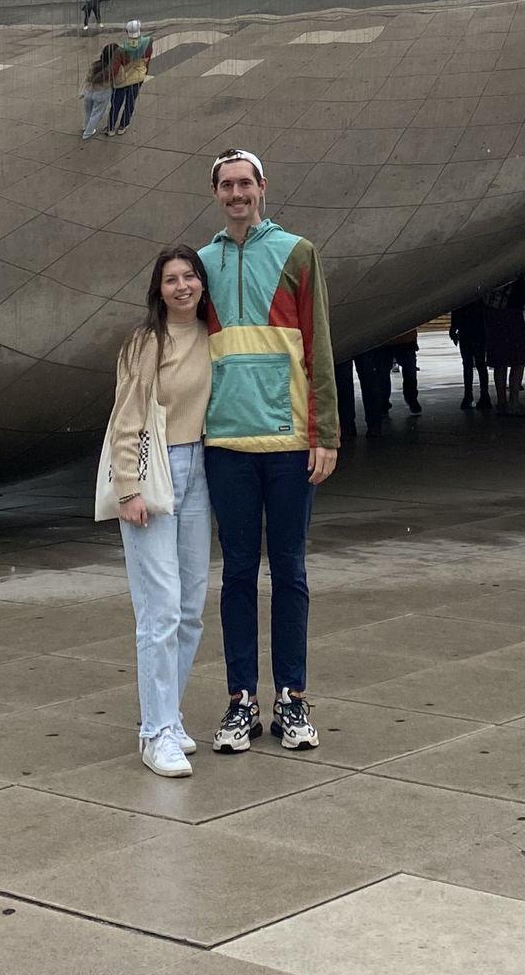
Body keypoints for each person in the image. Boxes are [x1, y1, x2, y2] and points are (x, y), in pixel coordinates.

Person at [198, 150, 337, 753]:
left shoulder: (298, 252)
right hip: (225, 442)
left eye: (244, 183)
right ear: (216, 193)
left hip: (288, 443)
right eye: (226, 185)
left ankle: (292, 698)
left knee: (290, 571)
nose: (236, 193)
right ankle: (240, 701)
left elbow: (320, 346)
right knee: (235, 575)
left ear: (262, 187)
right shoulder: (200, 265)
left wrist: (325, 433)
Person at [104, 244, 213, 777]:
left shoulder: (214, 337)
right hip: (156, 470)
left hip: (202, 472)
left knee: (190, 606)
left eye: (189, 276)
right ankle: (154, 733)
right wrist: (128, 487)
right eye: (171, 279)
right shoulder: (147, 342)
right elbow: (126, 419)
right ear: (158, 289)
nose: (182, 286)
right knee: (159, 610)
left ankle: (169, 715)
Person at [483, 279, 525, 414]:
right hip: (512, 313)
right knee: (518, 360)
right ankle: (514, 402)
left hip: (494, 314)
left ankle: (502, 402)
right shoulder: (514, 274)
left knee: (500, 361)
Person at [107, 21, 154, 136]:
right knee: (130, 101)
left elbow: (115, 68)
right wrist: (145, 71)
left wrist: (107, 79)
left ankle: (111, 127)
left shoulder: (120, 49)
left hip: (122, 81)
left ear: (126, 32)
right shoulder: (148, 42)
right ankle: (123, 125)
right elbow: (147, 59)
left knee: (116, 103)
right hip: (138, 77)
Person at [448, 298, 491, 409]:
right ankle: (484, 396)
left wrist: (453, 328)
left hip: (465, 331)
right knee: (481, 364)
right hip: (478, 331)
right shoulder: (478, 297)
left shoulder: (462, 296)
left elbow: (456, 309)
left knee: (467, 365)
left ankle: (468, 396)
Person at [352, 343, 395, 435]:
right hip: (366, 342)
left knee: (344, 382)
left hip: (346, 341)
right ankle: (374, 424)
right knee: (370, 381)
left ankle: (347, 426)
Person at [81, 44, 119, 141]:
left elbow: (87, 78)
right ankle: (88, 133)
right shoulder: (112, 68)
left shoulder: (95, 64)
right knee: (97, 113)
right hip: (102, 92)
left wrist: (83, 91)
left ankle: (86, 127)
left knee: (88, 112)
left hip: (89, 91)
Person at [387, 325, 422, 415]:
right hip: (404, 340)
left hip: (394, 341)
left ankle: (383, 403)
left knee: (383, 375)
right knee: (410, 372)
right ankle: (411, 400)